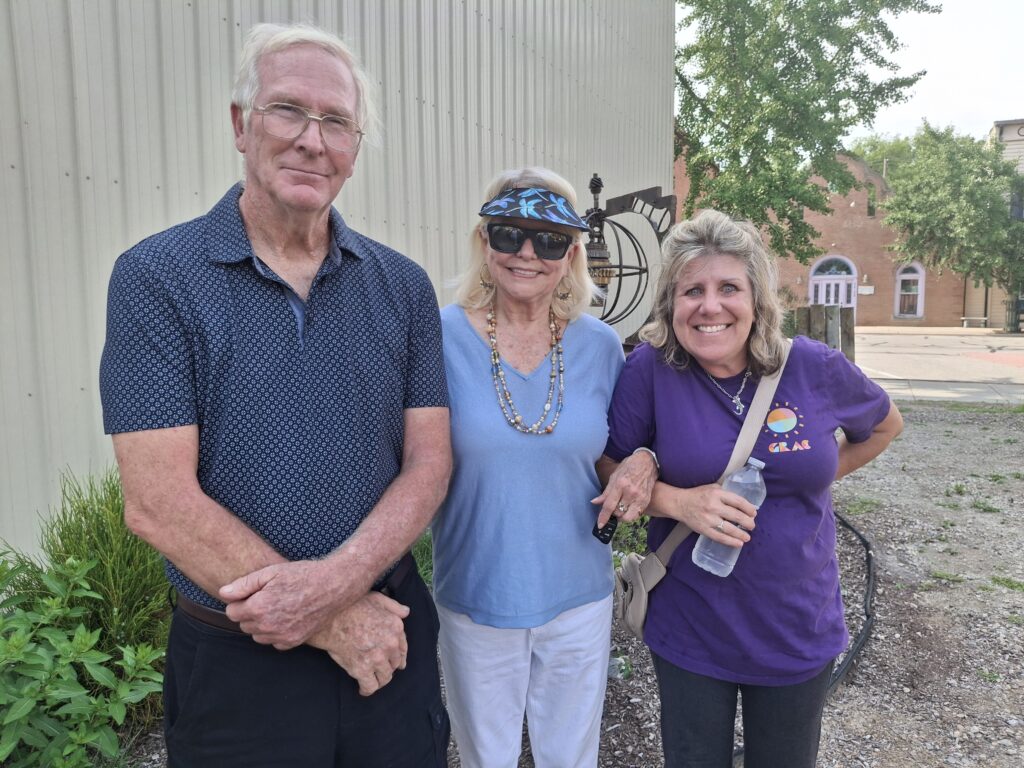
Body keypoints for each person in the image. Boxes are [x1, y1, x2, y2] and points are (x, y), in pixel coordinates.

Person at [99, 23, 451, 767]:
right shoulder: (157, 279)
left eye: (337, 122)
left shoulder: (403, 287)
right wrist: (330, 619)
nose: (311, 141)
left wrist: (336, 589)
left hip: (387, 637)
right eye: (288, 110)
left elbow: (428, 463)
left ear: (355, 149)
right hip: (237, 665)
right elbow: (156, 500)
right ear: (241, 124)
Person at [597, 209, 903, 768]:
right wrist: (675, 501)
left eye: (728, 287)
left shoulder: (811, 366)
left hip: (796, 624)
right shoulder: (651, 371)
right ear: (671, 303)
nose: (710, 306)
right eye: (692, 289)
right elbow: (607, 464)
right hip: (692, 624)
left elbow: (885, 426)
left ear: (757, 298)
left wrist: (814, 473)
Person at [430, 167, 652, 768]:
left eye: (550, 239)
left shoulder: (602, 346)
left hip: (578, 595)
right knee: (487, 759)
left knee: (571, 758)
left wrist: (645, 460)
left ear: (572, 253)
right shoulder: (437, 337)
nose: (528, 253)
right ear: (484, 242)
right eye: (509, 234)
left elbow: (622, 448)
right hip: (477, 592)